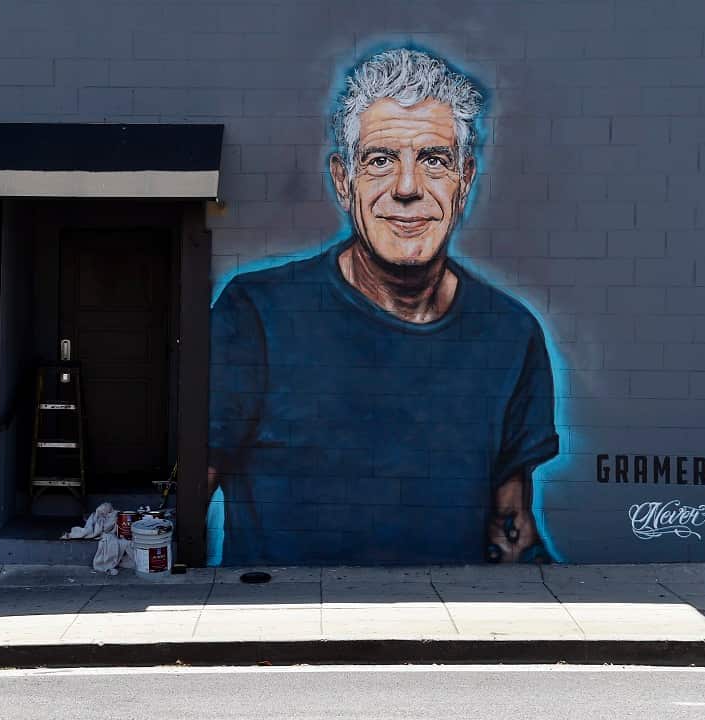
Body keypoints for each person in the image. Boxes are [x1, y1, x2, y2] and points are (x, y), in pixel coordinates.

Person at [208, 48, 559, 566]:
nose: (408, 188)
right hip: (288, 634)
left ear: (464, 181)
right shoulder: (255, 316)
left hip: (443, 635)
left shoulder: (510, 335)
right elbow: (185, 499)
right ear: (343, 181)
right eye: (380, 160)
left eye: (433, 161)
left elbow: (511, 529)